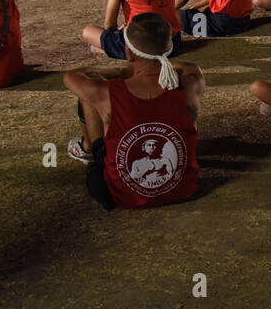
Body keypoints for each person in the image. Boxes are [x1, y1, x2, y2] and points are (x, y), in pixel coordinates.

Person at [63, 12, 202, 211]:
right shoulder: (192, 81)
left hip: (119, 196)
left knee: (89, 95)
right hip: (184, 189)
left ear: (128, 52)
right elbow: (187, 67)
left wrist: (121, 72)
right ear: (169, 48)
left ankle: (90, 153)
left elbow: (72, 76)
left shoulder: (106, 92)